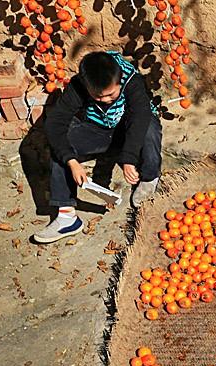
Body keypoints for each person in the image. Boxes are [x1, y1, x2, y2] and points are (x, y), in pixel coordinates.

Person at [34, 50, 162, 244]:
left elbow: (139, 119)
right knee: (60, 144)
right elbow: (55, 123)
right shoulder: (78, 85)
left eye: (111, 94)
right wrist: (71, 160)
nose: (105, 100)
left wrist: (129, 159)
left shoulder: (132, 80)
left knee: (149, 127)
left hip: (129, 130)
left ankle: (149, 177)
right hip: (99, 131)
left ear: (120, 79)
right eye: (98, 96)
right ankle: (67, 217)